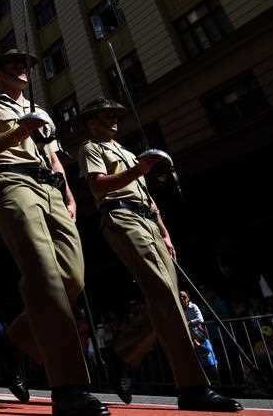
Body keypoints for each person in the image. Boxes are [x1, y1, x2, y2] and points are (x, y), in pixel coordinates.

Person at [78, 97, 242, 412]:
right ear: (91, 122)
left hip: (148, 221)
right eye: (104, 115)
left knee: (174, 298)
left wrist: (164, 231)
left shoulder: (126, 152)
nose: (113, 119)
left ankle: (122, 353)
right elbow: (100, 186)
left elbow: (148, 198)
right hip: (121, 216)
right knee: (164, 293)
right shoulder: (91, 148)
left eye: (115, 115)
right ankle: (192, 386)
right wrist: (141, 167)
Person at [0, 50, 106, 416]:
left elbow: (54, 155)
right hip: (12, 182)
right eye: (12, 65)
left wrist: (69, 194)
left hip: (52, 191)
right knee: (45, 277)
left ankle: (12, 341)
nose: (22, 69)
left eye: (25, 64)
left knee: (72, 277)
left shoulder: (40, 110)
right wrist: (19, 131)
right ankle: (69, 387)